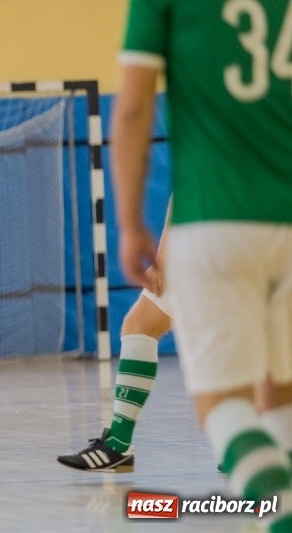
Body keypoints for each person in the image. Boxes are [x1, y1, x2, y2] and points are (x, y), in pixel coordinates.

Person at [112, 1, 292, 529]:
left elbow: (131, 109)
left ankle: (278, 514)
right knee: (279, 393)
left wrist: (129, 223)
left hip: (216, 217)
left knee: (225, 406)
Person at [57, 214, 171, 472]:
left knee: (140, 327)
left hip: (220, 235)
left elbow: (189, 185)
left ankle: (118, 443)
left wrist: (163, 255)